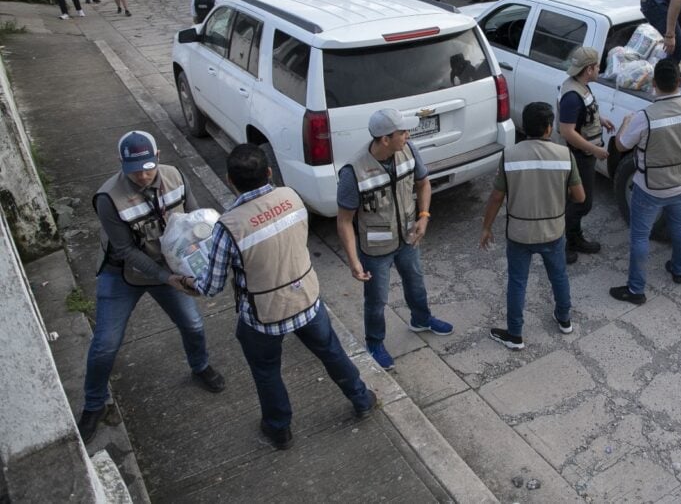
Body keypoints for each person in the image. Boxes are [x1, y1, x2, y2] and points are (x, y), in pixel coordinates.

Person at [178, 144, 376, 451]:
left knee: (266, 371)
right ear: (269, 172)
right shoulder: (293, 198)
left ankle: (279, 428)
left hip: (262, 316)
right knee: (332, 352)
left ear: (231, 180)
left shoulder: (228, 226)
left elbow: (212, 286)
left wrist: (186, 281)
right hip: (307, 301)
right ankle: (362, 399)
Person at [77, 131, 225, 443]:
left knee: (194, 324)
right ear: (121, 164)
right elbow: (124, 251)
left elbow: (195, 220)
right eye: (135, 170)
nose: (143, 176)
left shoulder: (175, 175)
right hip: (124, 274)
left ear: (157, 156)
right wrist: (166, 278)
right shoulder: (108, 198)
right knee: (105, 344)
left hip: (169, 266)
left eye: (148, 167)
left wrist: (198, 263)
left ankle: (200, 367)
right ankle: (93, 404)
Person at [335, 108, 454, 371]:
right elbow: (344, 220)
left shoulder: (409, 150)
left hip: (409, 237)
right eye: (402, 132)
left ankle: (421, 319)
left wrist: (423, 216)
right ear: (384, 139)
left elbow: (423, 183)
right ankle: (375, 342)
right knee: (377, 301)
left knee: (416, 283)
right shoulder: (353, 172)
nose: (407, 135)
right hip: (375, 249)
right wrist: (354, 262)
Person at [609, 59, 681, 305]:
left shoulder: (645, 117)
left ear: (654, 85)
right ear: (680, 82)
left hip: (650, 186)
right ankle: (678, 271)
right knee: (679, 226)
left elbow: (621, 145)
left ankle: (636, 290)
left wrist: (624, 124)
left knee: (639, 236)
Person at [481, 102, 584, 349]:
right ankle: (564, 319)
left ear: (525, 128)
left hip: (519, 234)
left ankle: (515, 334)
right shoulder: (564, 155)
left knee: (517, 281)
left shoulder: (510, 155)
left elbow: (496, 197)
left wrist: (486, 227)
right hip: (553, 231)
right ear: (549, 128)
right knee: (558, 276)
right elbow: (579, 197)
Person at [558, 47, 615, 264]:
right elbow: (567, 131)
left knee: (579, 201)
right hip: (578, 156)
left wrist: (601, 120)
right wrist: (595, 150)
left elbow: (585, 115)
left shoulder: (582, 87)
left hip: (584, 154)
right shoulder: (572, 96)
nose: (600, 69)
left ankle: (574, 238)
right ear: (589, 69)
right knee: (582, 203)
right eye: (598, 66)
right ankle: (561, 244)